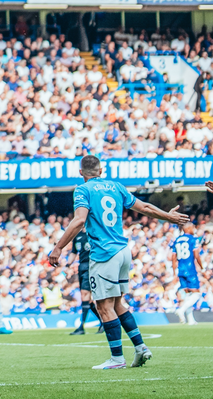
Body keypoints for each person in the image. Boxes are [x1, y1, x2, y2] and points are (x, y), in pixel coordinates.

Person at [49, 155, 189, 370]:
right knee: (116, 304)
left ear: (80, 173)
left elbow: (79, 220)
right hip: (123, 251)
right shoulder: (116, 186)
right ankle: (140, 347)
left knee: (103, 307)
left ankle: (116, 359)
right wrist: (168, 217)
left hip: (104, 253)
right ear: (101, 170)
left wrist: (58, 247)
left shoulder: (83, 190)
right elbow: (146, 208)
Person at [67, 230, 99, 335]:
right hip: (82, 267)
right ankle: (103, 322)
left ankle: (81, 327)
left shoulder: (93, 232)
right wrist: (68, 265)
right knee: (87, 300)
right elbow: (74, 251)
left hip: (92, 266)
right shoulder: (77, 235)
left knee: (85, 295)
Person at [171, 221, 203, 325]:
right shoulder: (193, 239)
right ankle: (181, 310)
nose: (194, 229)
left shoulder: (177, 240)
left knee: (188, 295)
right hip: (190, 269)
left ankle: (191, 320)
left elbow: (173, 257)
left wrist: (174, 271)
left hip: (180, 269)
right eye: (193, 227)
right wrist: (202, 267)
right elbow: (196, 255)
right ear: (188, 228)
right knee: (197, 294)